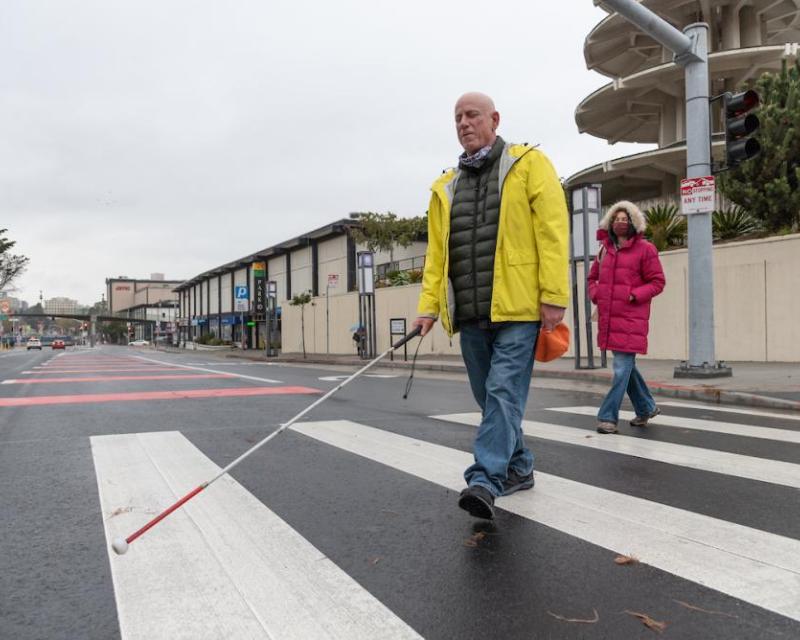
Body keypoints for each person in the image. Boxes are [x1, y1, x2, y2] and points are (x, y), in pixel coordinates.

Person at [412, 92, 569, 520]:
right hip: (470, 312)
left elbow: (553, 231)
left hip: (518, 309)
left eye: (472, 115)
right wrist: (429, 308)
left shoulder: (527, 164)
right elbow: (436, 258)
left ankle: (485, 478)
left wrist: (554, 295)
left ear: (494, 119)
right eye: (457, 117)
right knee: (489, 397)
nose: (464, 123)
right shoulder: (446, 186)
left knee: (502, 392)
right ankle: (519, 466)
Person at [587, 201, 666, 434]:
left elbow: (658, 282)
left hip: (631, 320)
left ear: (633, 222)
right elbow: (592, 278)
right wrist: (596, 295)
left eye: (625, 219)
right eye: (616, 219)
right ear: (610, 223)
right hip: (609, 320)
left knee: (621, 368)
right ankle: (646, 407)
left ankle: (607, 417)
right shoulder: (604, 250)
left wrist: (634, 295)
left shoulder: (646, 249)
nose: (620, 223)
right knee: (627, 369)